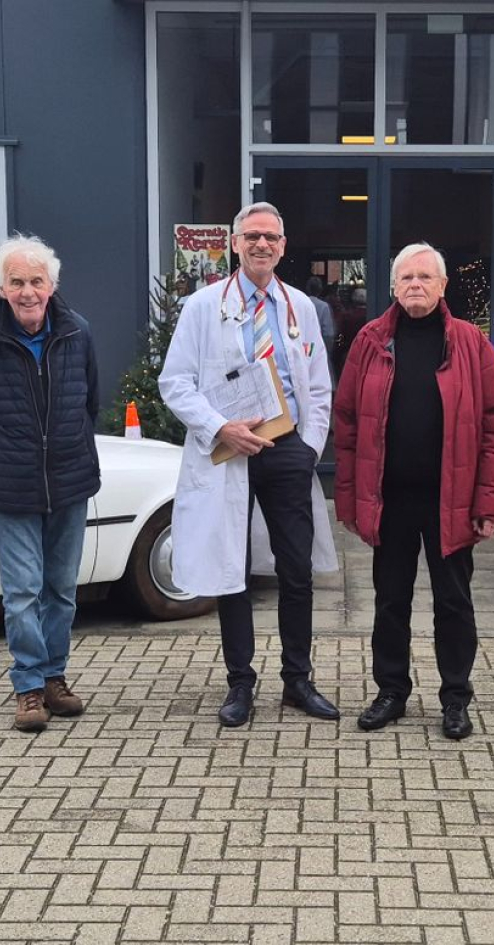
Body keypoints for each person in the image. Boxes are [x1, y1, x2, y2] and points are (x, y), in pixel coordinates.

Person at [159, 202, 340, 729]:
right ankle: (241, 682)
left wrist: (309, 446)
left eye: (272, 237)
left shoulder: (301, 307)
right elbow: (175, 382)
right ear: (235, 244)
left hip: (286, 450)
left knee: (296, 569)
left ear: (284, 246)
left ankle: (297, 680)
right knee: (231, 567)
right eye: (252, 236)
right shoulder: (201, 307)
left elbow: (319, 385)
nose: (262, 245)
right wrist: (219, 427)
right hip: (227, 448)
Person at [333, 243, 494, 741]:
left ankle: (455, 698)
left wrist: (489, 502)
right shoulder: (371, 341)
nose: (415, 285)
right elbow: (346, 423)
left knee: (453, 603)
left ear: (442, 286)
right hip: (390, 501)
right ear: (393, 287)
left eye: (425, 277)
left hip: (450, 502)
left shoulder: (470, 343)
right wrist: (349, 500)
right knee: (390, 601)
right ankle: (391, 691)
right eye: (406, 278)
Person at [0, 234, 102, 733]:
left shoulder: (77, 332)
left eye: (36, 281)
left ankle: (55, 677)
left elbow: (89, 405)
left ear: (52, 284)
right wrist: (5, 450)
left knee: (61, 590)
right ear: (0, 287)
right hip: (11, 484)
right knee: (21, 592)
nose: (27, 291)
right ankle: (28, 686)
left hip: (69, 479)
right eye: (16, 282)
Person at [303, 275, 337, 362]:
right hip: (318, 347)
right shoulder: (324, 306)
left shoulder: (299, 303)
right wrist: (327, 353)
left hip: (302, 346)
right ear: (320, 289)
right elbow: (328, 333)